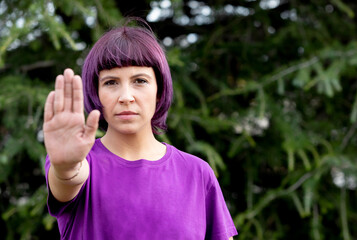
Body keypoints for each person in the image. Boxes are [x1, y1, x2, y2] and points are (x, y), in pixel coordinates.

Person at [43, 18, 238, 240]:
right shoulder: (78, 162)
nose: (126, 97)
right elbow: (69, 178)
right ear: (96, 93)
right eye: (111, 82)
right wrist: (67, 168)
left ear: (159, 90)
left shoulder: (197, 174)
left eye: (140, 81)